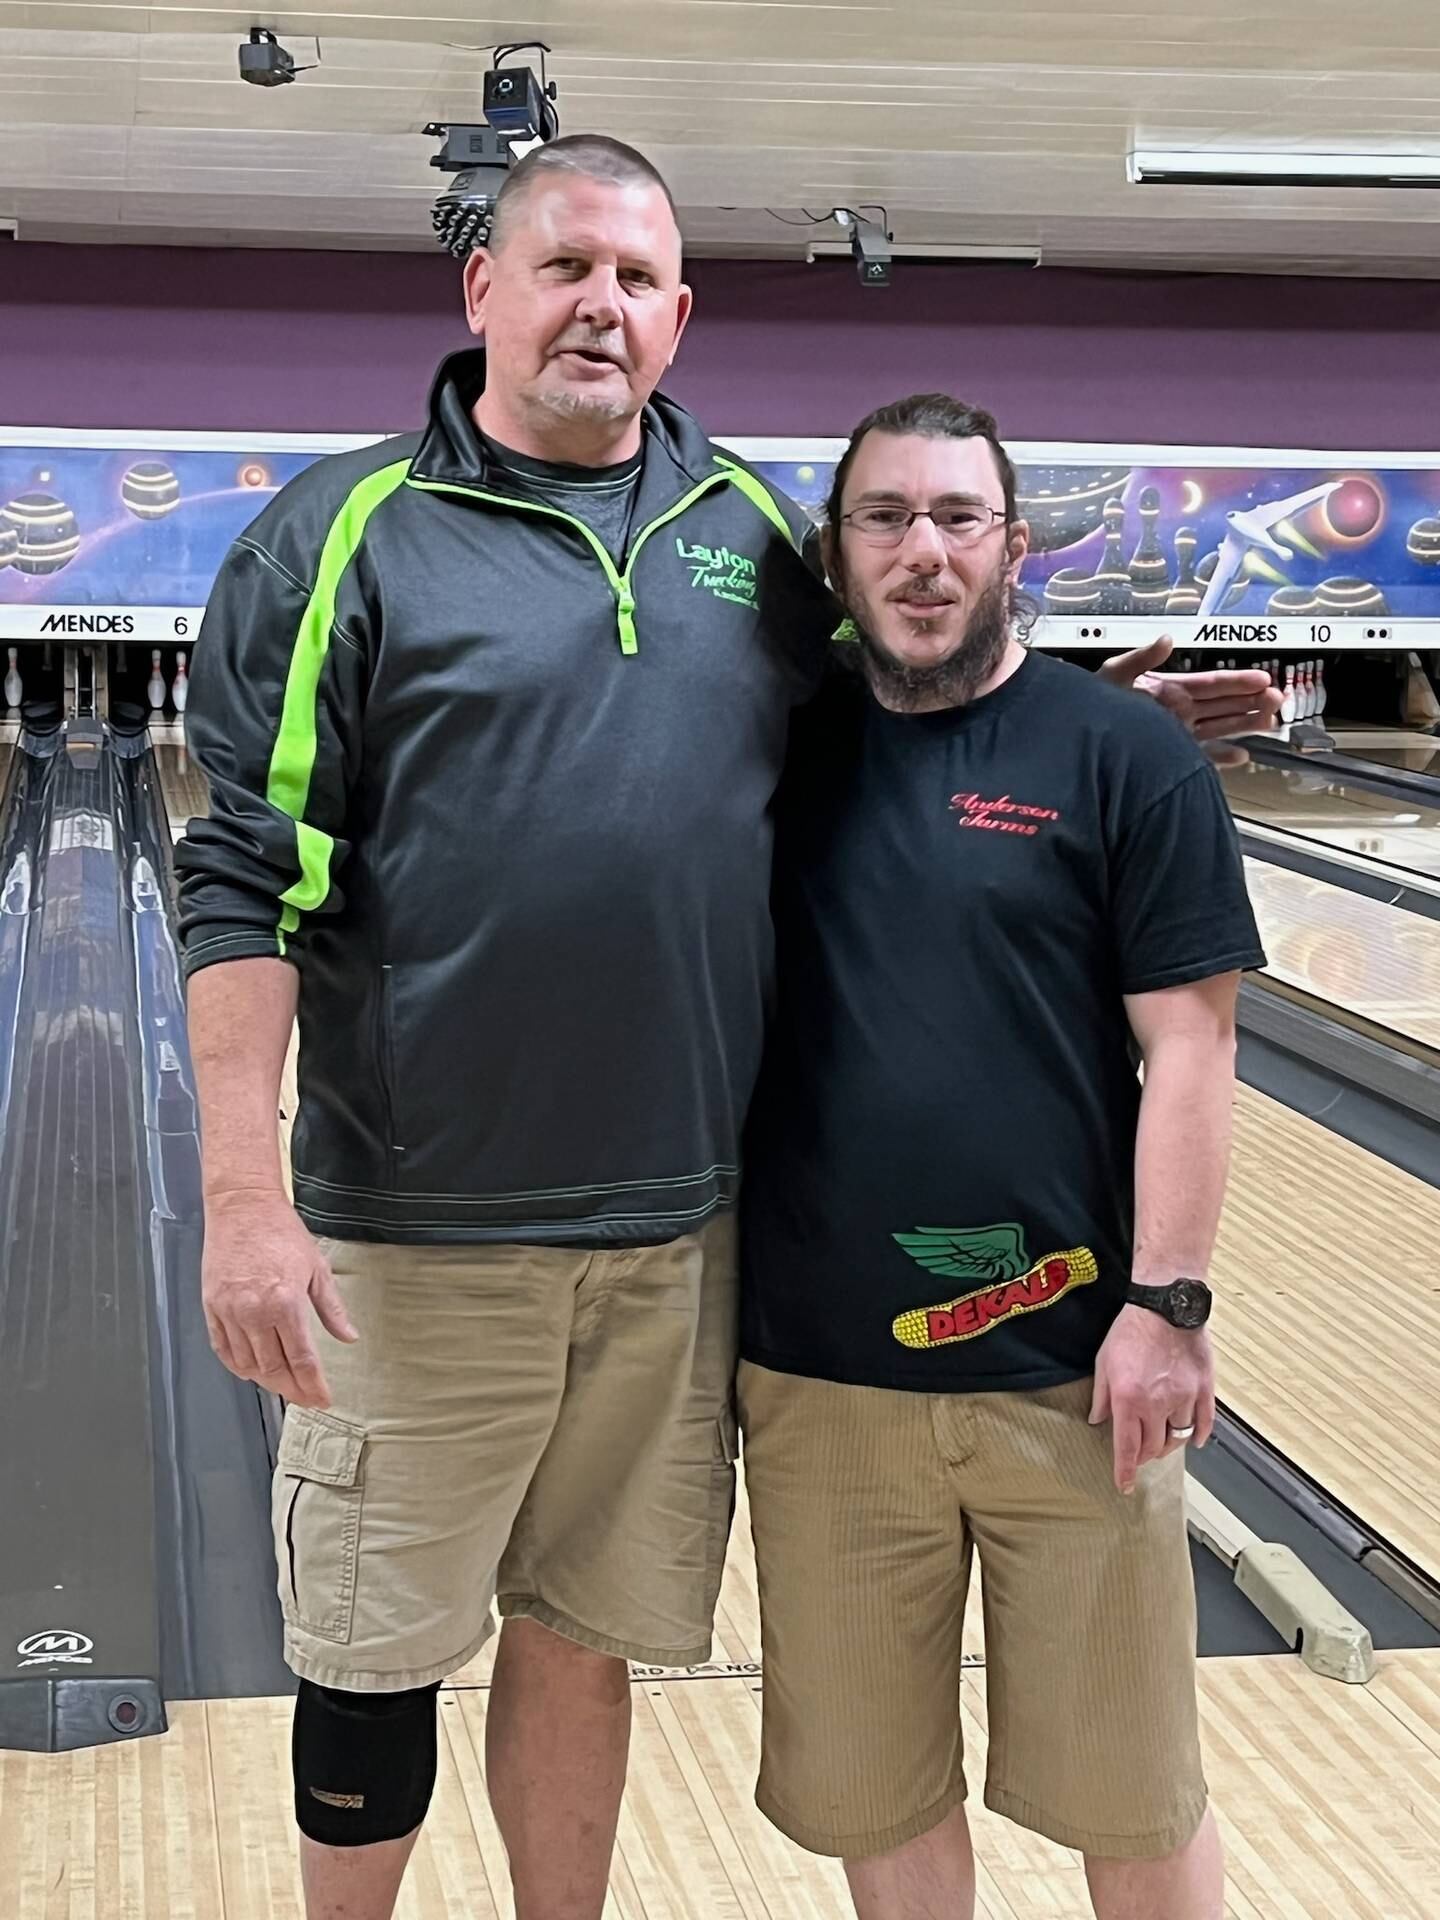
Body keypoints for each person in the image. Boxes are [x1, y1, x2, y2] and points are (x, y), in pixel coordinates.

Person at [176, 133, 1277, 1920]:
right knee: (371, 1658)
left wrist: (1098, 734)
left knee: (587, 1639)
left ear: (680, 318)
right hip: (420, 1234)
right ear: (484, 292)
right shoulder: (346, 531)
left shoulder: (752, 534)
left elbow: (918, 710)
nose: (599, 304)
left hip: (682, 1240)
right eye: (563, 267)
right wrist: (241, 1195)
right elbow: (244, 872)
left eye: (635, 278)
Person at [737, 393, 1267, 1920]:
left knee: (1134, 1789)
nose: (921, 552)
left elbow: (1194, 1047)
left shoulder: (1122, 762)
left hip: (1072, 1376)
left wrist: (1168, 1308)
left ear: (1013, 548)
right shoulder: (766, 756)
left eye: (956, 518)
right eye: (884, 518)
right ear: (836, 559)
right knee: (875, 1790)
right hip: (820, 1383)